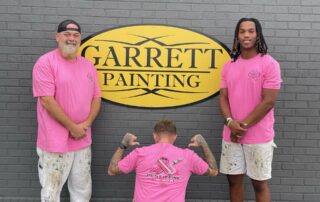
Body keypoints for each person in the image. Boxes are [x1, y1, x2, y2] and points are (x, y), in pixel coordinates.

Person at [32, 19, 101, 202]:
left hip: (83, 139)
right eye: (67, 34)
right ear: (58, 37)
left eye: (76, 35)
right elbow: (47, 100)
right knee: (51, 191)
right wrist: (72, 127)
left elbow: (96, 98)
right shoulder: (45, 63)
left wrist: (85, 125)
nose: (72, 38)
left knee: (82, 190)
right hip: (55, 142)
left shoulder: (87, 65)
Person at [219, 17, 282, 202]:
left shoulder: (269, 64)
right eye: (242, 31)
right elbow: (223, 97)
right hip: (230, 134)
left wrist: (241, 127)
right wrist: (230, 123)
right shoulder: (228, 66)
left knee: (259, 184)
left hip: (259, 136)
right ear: (237, 36)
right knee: (234, 182)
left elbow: (268, 101)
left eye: (251, 31)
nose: (246, 35)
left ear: (258, 34)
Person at [108, 119, 218, 202]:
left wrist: (124, 142)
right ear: (175, 137)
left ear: (155, 136)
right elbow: (214, 171)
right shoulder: (188, 156)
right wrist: (203, 144)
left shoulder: (140, 153)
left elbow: (112, 171)